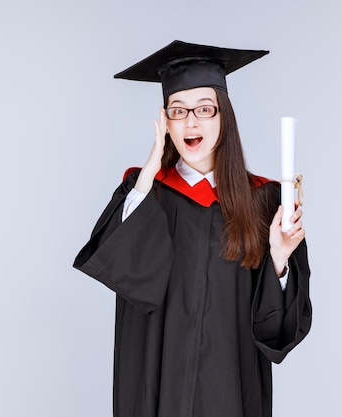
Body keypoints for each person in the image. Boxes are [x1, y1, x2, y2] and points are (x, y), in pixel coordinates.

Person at [73, 40, 312, 417]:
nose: (191, 121)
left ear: (223, 117)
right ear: (165, 121)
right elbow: (119, 269)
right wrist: (147, 177)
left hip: (230, 389)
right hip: (156, 386)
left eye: (204, 109)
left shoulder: (264, 201)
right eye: (178, 110)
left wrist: (280, 260)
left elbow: (276, 331)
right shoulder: (146, 194)